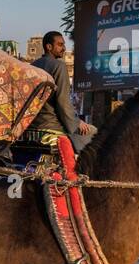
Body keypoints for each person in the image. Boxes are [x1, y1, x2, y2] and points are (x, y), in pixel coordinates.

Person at [17, 31, 95, 164]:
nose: (64, 48)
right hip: (51, 125)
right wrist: (76, 123)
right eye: (60, 45)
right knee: (94, 133)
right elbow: (63, 102)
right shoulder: (59, 66)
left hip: (30, 125)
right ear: (49, 47)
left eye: (63, 45)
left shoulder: (32, 66)